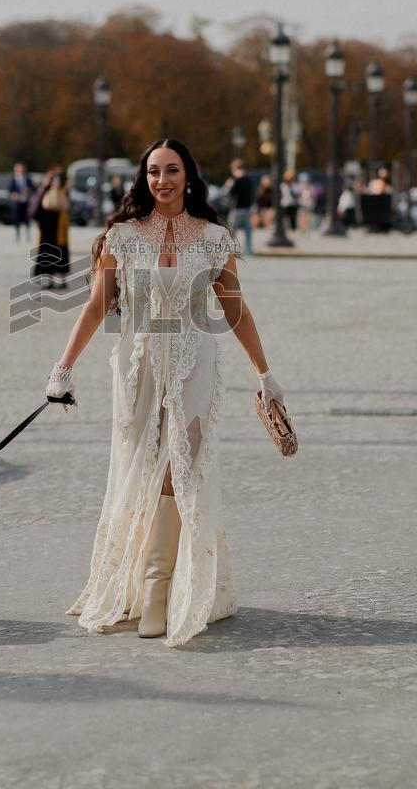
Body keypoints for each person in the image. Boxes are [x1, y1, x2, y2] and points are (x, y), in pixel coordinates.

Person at [45, 138, 285, 648]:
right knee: (141, 470)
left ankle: (159, 593)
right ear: (144, 178)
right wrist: (62, 369)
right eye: (154, 171)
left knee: (181, 470)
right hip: (137, 370)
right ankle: (141, 585)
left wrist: (265, 374)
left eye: (172, 170)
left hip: (195, 368)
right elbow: (96, 306)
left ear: (189, 176)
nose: (163, 180)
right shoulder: (122, 236)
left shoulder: (215, 238)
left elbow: (236, 309)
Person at [31, 167, 71, 289]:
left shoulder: (64, 190)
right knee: (48, 254)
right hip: (47, 228)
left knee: (61, 253)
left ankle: (63, 280)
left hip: (59, 228)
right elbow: (36, 207)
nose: (56, 182)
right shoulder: (44, 190)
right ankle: (49, 280)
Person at [224, 158, 254, 257]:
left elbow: (229, 193)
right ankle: (249, 251)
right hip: (247, 208)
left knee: (231, 231)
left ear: (235, 168)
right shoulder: (248, 179)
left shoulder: (235, 179)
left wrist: (228, 185)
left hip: (236, 208)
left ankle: (229, 251)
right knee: (248, 231)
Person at [8, 162, 35, 240]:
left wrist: (29, 191)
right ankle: (17, 234)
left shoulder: (28, 179)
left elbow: (33, 189)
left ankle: (28, 234)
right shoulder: (13, 180)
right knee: (17, 218)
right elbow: (10, 191)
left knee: (27, 218)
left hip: (26, 201)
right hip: (17, 202)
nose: (21, 171)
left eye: (22, 169)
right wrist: (13, 195)